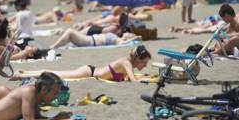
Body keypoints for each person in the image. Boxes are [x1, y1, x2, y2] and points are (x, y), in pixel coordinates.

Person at [11, 45, 151, 82]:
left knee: (58, 74)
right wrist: (146, 79)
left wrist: (144, 76)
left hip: (90, 71)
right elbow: (133, 80)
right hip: (89, 72)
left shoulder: (128, 63)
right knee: (57, 75)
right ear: (137, 59)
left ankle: (24, 73)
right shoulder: (126, 63)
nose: (145, 65)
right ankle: (22, 74)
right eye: (144, 62)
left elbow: (130, 77)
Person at [49, 28, 140, 49]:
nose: (126, 32)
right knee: (69, 34)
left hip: (90, 41)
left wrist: (133, 38)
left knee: (70, 32)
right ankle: (55, 46)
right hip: (88, 39)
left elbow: (122, 44)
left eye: (129, 33)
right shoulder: (117, 37)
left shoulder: (119, 40)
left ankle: (53, 47)